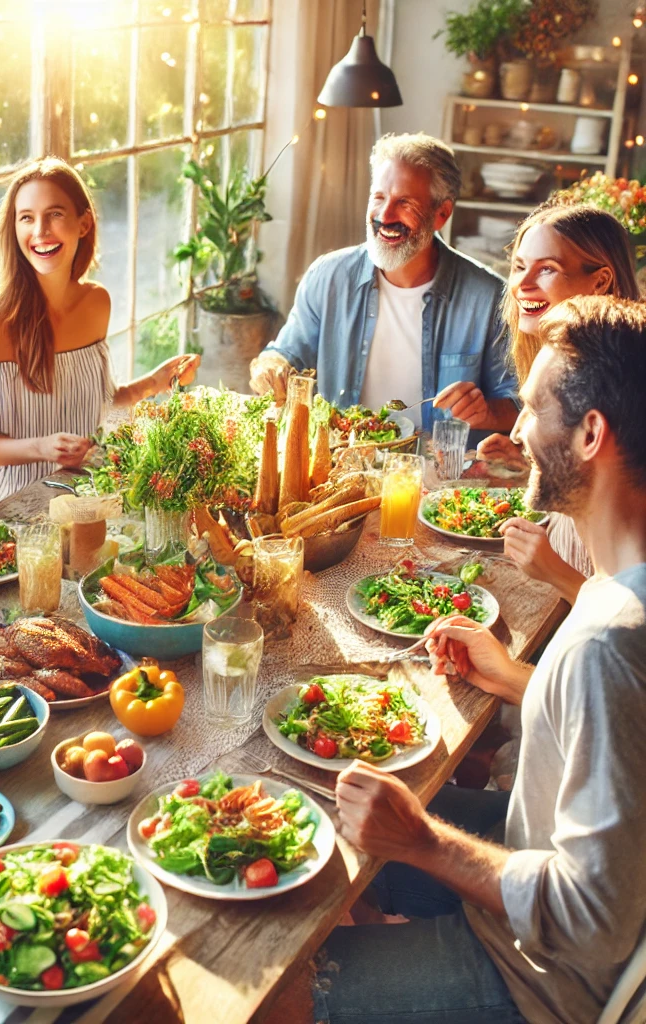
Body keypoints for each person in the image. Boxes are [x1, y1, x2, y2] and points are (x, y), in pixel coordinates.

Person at [315, 295, 646, 1024]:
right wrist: (511, 680)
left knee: (278, 991)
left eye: (533, 409)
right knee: (322, 809)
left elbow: (598, 918)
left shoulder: (610, 644)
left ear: (592, 433)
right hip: (533, 855)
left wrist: (423, 842)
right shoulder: (620, 587)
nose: (517, 429)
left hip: (542, 975)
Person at [0, 157, 199, 508]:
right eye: (27, 217)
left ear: (84, 224)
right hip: (12, 509)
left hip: (84, 493)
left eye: (55, 214)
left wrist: (152, 383)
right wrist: (41, 448)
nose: (41, 231)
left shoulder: (96, 303)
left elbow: (95, 408)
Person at [248, 132, 517, 435]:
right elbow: (288, 355)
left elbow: (518, 405)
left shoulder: (490, 297)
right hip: (341, 465)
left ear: (441, 213)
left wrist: (486, 413)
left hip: (436, 475)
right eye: (379, 198)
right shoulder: (327, 277)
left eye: (405, 202)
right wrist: (270, 366)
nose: (385, 215)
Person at [477, 203, 639, 604]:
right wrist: (536, 462)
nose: (522, 284)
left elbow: (631, 623)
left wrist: (555, 571)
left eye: (546, 268)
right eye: (518, 267)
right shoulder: (558, 356)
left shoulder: (629, 381)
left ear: (600, 281)